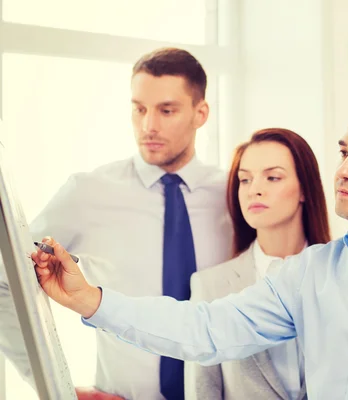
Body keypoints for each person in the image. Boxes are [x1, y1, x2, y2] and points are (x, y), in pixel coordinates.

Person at [32, 92, 348, 399]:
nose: (344, 170)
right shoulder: (309, 272)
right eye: (344, 153)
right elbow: (206, 329)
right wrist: (90, 300)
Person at [1, 47, 232, 400]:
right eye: (139, 109)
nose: (148, 126)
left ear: (201, 113)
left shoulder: (235, 195)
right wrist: (53, 384)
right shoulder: (88, 192)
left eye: (166, 110)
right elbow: (7, 280)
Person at [184, 128, 330, 400]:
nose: (255, 190)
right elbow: (202, 392)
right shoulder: (211, 286)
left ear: (304, 190)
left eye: (273, 177)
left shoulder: (342, 277)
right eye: (245, 180)